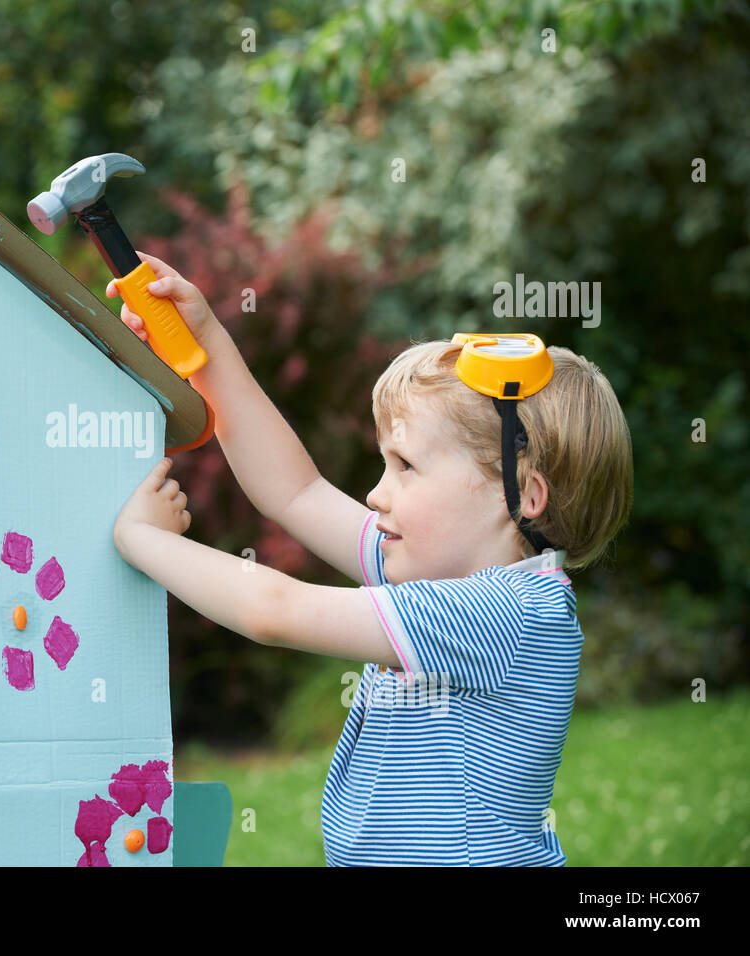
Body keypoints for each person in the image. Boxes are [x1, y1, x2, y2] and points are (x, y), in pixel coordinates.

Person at [108, 251, 634, 866]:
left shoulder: (508, 611)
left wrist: (145, 541)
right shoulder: (431, 568)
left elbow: (275, 610)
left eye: (406, 466)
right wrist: (209, 344)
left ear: (521, 496)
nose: (376, 493)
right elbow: (294, 491)